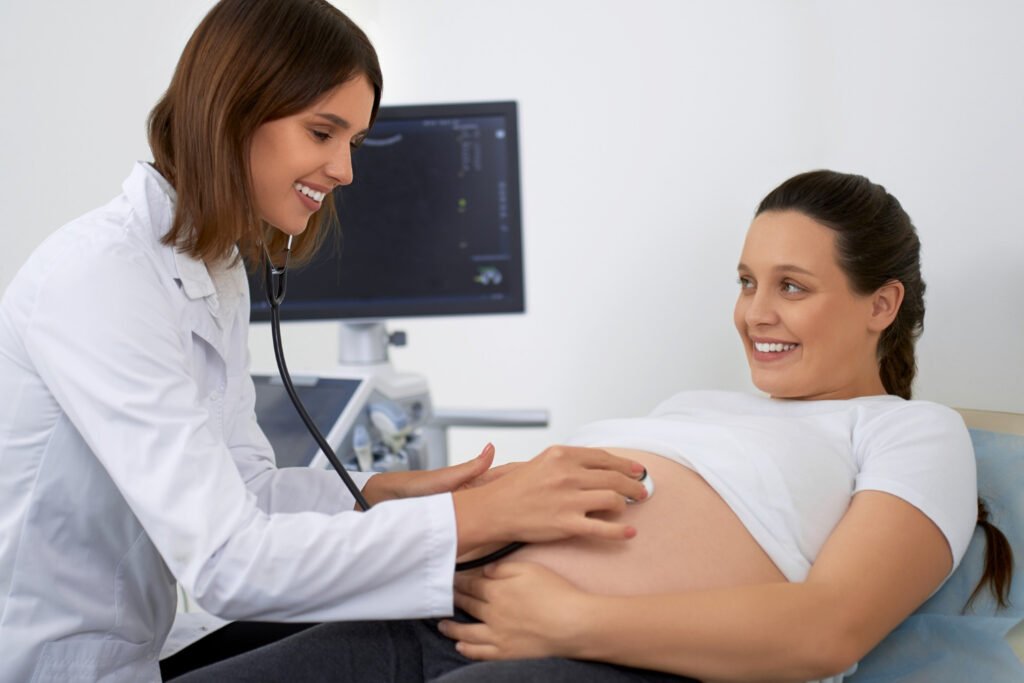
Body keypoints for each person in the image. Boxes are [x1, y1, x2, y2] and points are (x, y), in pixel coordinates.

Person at [0, 2, 651, 682]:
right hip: (55, 670)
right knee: (433, 640)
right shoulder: (101, 279)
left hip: (133, 650)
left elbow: (245, 491)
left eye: (354, 142)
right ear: (232, 111)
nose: (345, 170)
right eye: (322, 132)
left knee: (426, 618)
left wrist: (395, 494)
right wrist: (470, 517)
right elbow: (229, 562)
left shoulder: (210, 266)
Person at [171, 170, 1013, 683]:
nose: (755, 312)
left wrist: (569, 620)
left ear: (883, 303)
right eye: (747, 280)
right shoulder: (692, 407)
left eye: (792, 285)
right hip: (438, 603)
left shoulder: (913, 432)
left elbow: (829, 627)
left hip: (600, 659)